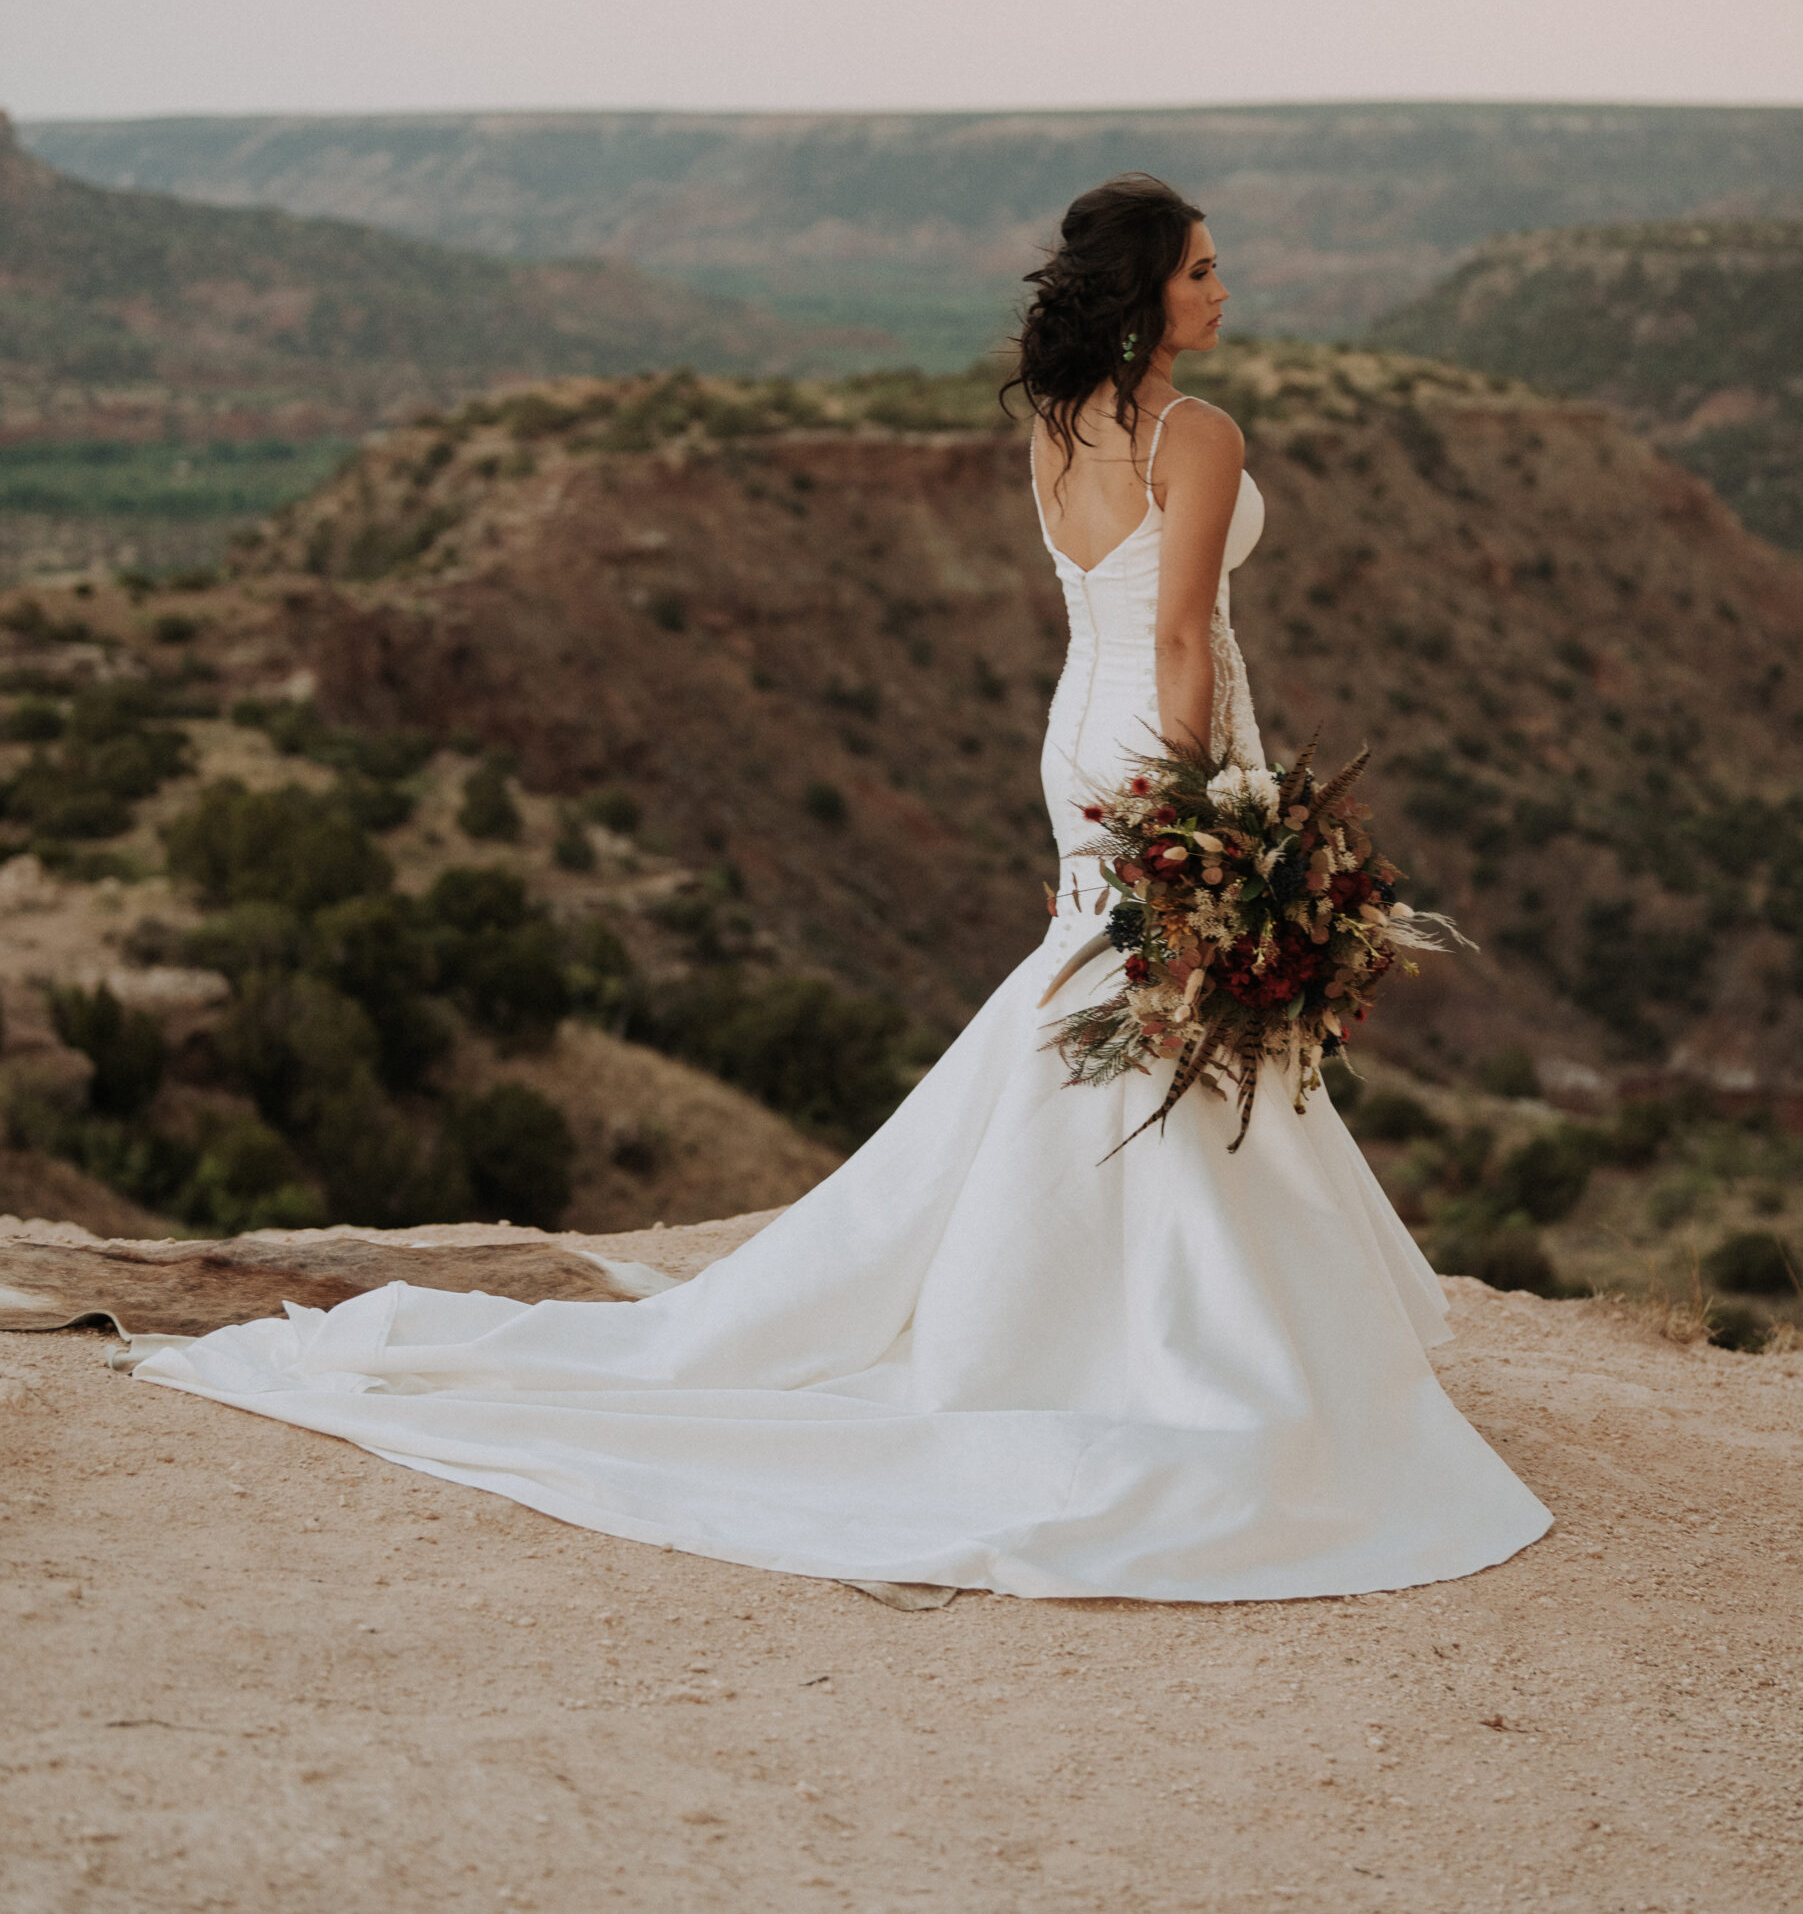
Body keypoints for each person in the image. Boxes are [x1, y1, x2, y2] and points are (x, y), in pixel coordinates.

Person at [137, 176, 1550, 1601]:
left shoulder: (1059, 426)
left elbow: (1121, 610)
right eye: (1200, 269)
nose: (1223, 288)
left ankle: (1096, 1300)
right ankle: (1162, 1327)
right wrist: (1202, 819)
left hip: (1078, 737)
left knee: (1120, 999)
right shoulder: (1197, 433)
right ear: (1146, 294)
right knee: (1169, 992)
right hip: (1164, 742)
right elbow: (1183, 634)